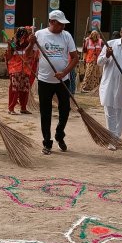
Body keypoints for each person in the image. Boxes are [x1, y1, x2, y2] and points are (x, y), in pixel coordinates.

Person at [34, 10, 79, 155]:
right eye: (61, 24)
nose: (63, 27)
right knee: (45, 113)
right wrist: (30, 44)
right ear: (52, 22)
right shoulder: (39, 34)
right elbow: (30, 54)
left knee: (65, 110)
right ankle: (47, 142)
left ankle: (59, 135)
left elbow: (75, 58)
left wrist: (64, 73)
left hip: (62, 81)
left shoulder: (67, 36)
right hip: (44, 80)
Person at [7, 26, 34, 115]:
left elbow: (29, 55)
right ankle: (11, 108)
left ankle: (23, 108)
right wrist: (9, 46)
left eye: (24, 34)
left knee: (25, 89)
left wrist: (31, 43)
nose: (23, 36)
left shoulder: (28, 43)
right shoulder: (13, 44)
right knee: (14, 89)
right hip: (15, 69)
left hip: (25, 70)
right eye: (21, 34)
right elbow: (9, 57)